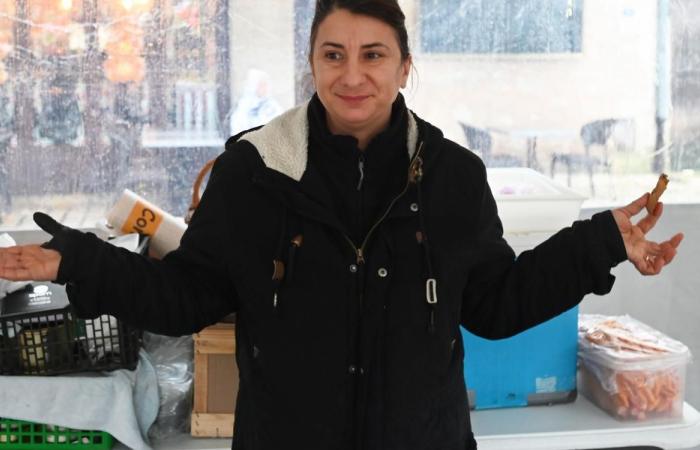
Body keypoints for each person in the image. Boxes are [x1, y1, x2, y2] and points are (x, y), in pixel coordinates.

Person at [0, 1, 684, 449]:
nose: (352, 74)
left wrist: (600, 241)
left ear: (405, 65)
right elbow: (186, 298)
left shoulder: (452, 176)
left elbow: (495, 303)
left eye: (373, 54)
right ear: (312, 64)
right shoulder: (254, 173)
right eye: (333, 54)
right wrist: (78, 263)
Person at [229, 68, 283, 135]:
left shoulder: (272, 106)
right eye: (261, 85)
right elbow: (237, 128)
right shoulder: (244, 106)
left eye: (266, 84)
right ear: (253, 86)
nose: (265, 88)